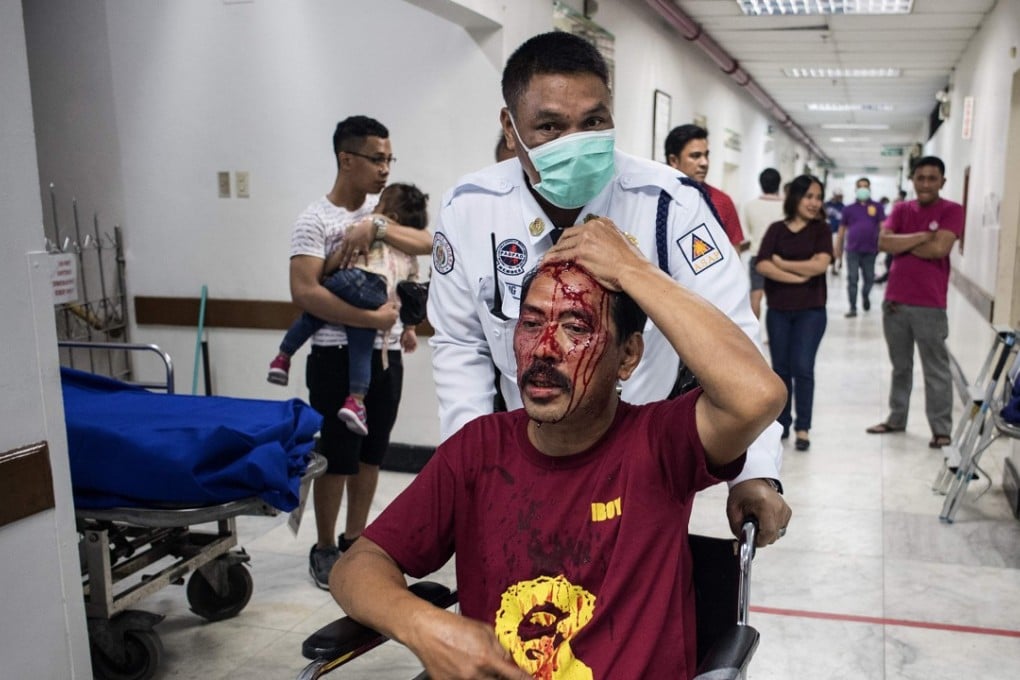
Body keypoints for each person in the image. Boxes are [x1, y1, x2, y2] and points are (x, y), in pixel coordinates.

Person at [332, 221, 787, 679]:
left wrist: (631, 269)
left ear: (628, 357)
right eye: (530, 324)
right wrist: (424, 625)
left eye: (576, 327)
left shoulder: (660, 443)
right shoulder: (478, 449)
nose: (544, 349)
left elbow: (757, 395)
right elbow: (357, 566)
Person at [427, 31, 791, 546]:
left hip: (644, 455)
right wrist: (467, 465)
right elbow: (459, 346)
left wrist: (753, 469)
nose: (575, 142)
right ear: (510, 128)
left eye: (593, 122)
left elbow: (736, 340)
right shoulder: (469, 208)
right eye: (550, 126)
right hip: (525, 450)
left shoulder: (671, 205)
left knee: (633, 604)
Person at [288, 115, 432, 589]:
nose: (385, 168)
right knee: (338, 456)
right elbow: (306, 293)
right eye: (377, 158)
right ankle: (325, 544)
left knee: (372, 455)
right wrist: (371, 320)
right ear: (346, 159)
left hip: (385, 361)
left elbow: (430, 242)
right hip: (334, 359)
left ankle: (355, 539)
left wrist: (377, 226)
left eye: (390, 159)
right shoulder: (316, 220)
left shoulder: (384, 211)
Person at [268, 183, 428, 435]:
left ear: (392, 217)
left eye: (380, 205)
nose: (375, 207)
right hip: (376, 296)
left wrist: (327, 274)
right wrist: (410, 328)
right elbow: (412, 295)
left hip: (353, 280)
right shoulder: (404, 250)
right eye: (377, 159)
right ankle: (356, 401)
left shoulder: (372, 222)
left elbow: (343, 255)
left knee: (315, 315)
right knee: (361, 342)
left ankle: (282, 357)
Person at [866, 157, 963, 449]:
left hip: (930, 305)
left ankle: (941, 429)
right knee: (900, 366)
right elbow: (884, 243)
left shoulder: (952, 211)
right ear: (912, 180)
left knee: (935, 369)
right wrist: (922, 236)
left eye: (932, 178)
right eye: (920, 178)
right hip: (895, 301)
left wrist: (903, 242)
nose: (925, 184)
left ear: (942, 182)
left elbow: (939, 249)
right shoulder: (901, 209)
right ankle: (897, 418)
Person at [755, 174, 833, 451]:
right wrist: (797, 276)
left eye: (818, 197)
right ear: (795, 198)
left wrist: (783, 263)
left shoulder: (821, 230)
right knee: (781, 370)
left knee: (802, 367)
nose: (814, 203)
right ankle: (783, 423)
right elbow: (762, 265)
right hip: (778, 311)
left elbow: (820, 266)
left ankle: (803, 428)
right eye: (809, 196)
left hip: (811, 311)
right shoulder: (777, 229)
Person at [664, 124, 747, 251]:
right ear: (673, 160)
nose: (705, 163)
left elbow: (735, 253)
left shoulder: (722, 202)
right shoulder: (656, 198)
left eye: (706, 155)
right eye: (695, 156)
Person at [835, 177, 885, 318]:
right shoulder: (848, 209)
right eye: (860, 186)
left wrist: (883, 243)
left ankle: (865, 296)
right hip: (852, 250)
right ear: (856, 189)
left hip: (870, 250)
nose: (863, 189)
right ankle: (852, 307)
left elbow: (883, 227)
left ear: (869, 189)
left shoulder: (877, 207)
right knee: (852, 279)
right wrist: (837, 248)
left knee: (869, 279)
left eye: (865, 186)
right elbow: (842, 230)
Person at [742, 168, 784, 319]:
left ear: (761, 184)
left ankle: (755, 336)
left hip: (757, 255)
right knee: (779, 298)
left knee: (755, 295)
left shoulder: (749, 206)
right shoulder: (787, 206)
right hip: (780, 258)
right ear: (779, 183)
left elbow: (747, 233)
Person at [824, 190, 844, 275]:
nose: (839, 198)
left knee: (836, 250)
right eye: (838, 196)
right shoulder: (826, 205)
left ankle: (834, 268)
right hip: (826, 231)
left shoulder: (842, 206)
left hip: (837, 231)